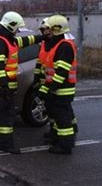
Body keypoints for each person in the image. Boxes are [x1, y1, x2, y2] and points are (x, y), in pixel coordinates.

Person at [0, 11, 44, 154]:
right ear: (11, 26)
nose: (18, 31)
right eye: (17, 28)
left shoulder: (7, 39)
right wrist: (5, 87)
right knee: (6, 118)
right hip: (2, 88)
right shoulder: (0, 42)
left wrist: (41, 38)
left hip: (0, 87)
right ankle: (6, 145)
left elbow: (24, 41)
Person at [38, 15, 78, 155]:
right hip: (56, 88)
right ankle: (56, 137)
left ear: (56, 29)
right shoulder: (57, 44)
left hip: (63, 90)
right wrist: (45, 88)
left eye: (49, 29)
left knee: (63, 118)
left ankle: (65, 145)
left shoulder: (65, 46)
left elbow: (61, 72)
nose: (46, 31)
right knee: (55, 115)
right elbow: (50, 71)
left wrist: (50, 89)